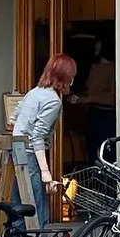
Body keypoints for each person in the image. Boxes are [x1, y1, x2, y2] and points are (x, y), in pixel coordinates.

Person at [11, 53, 77, 227]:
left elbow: (14, 117)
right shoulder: (53, 101)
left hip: (15, 151)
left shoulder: (35, 92)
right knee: (37, 211)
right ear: (66, 78)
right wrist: (46, 173)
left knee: (18, 206)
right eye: (72, 77)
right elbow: (38, 136)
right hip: (30, 155)